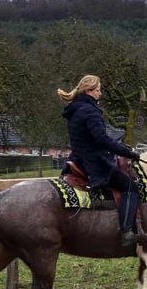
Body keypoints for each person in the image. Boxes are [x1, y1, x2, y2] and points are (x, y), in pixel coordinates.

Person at [58, 75, 141, 247]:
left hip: (79, 158)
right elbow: (101, 139)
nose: (100, 93)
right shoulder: (89, 111)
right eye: (97, 90)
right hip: (94, 163)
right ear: (88, 91)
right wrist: (127, 152)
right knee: (130, 187)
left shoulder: (75, 109)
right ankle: (127, 231)